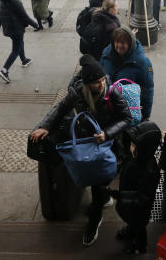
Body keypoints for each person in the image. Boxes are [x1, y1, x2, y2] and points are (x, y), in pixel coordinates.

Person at [31, 55, 132, 247]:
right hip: (87, 143)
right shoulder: (78, 92)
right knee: (95, 180)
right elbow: (60, 108)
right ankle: (103, 197)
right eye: (96, 82)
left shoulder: (112, 92)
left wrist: (107, 133)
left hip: (107, 145)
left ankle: (94, 220)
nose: (101, 84)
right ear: (87, 84)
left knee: (97, 182)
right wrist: (45, 126)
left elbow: (126, 118)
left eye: (102, 79)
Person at [109, 121, 162, 254]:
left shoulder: (149, 171)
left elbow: (142, 197)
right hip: (129, 205)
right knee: (132, 222)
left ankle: (140, 246)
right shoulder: (136, 156)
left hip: (139, 210)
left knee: (139, 227)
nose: (131, 147)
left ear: (144, 148)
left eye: (134, 145)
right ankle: (130, 229)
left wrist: (120, 196)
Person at [100, 26, 155, 120]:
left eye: (123, 43)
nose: (119, 46)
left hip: (128, 110)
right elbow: (100, 74)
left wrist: (146, 115)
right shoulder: (106, 54)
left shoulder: (143, 63)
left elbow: (148, 90)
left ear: (130, 44)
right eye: (117, 42)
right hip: (107, 106)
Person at [0, 0, 38, 83]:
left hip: (8, 28)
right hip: (16, 28)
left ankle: (24, 60)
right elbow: (24, 16)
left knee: (19, 43)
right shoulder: (16, 1)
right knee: (16, 49)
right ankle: (4, 70)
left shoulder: (2, 0)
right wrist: (35, 24)